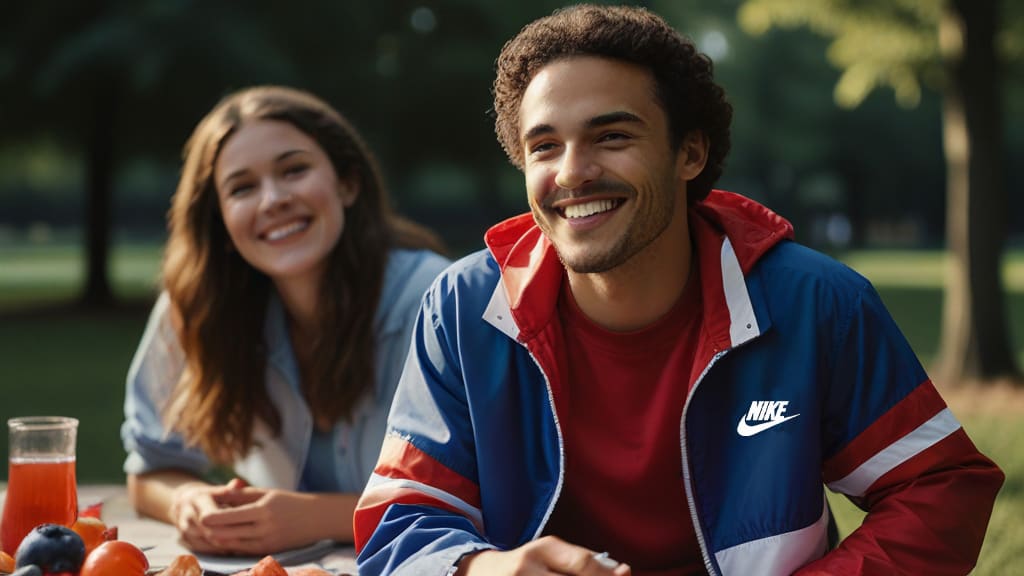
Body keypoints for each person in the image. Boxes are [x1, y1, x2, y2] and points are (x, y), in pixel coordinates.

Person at [352, 5, 1004, 576]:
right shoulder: (464, 308)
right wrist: (485, 569)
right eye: (544, 146)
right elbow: (402, 519)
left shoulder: (816, 301)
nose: (572, 173)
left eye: (611, 136)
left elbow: (941, 489)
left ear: (689, 153)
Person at [121, 85, 450, 556]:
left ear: (347, 183)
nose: (272, 199)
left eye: (294, 170)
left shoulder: (433, 302)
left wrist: (314, 516)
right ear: (223, 225)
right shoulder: (198, 306)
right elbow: (149, 471)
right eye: (242, 187)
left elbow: (485, 496)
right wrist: (187, 500)